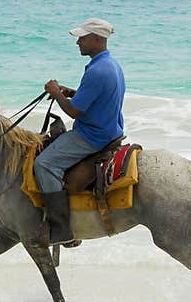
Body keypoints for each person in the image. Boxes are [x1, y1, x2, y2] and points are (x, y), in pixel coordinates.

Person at [34, 17, 126, 245]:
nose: (78, 43)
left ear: (96, 39)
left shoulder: (97, 71)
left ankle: (61, 229)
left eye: (82, 39)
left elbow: (74, 112)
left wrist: (55, 92)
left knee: (43, 164)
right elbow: (94, 97)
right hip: (110, 129)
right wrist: (71, 92)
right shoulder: (110, 65)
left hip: (93, 136)